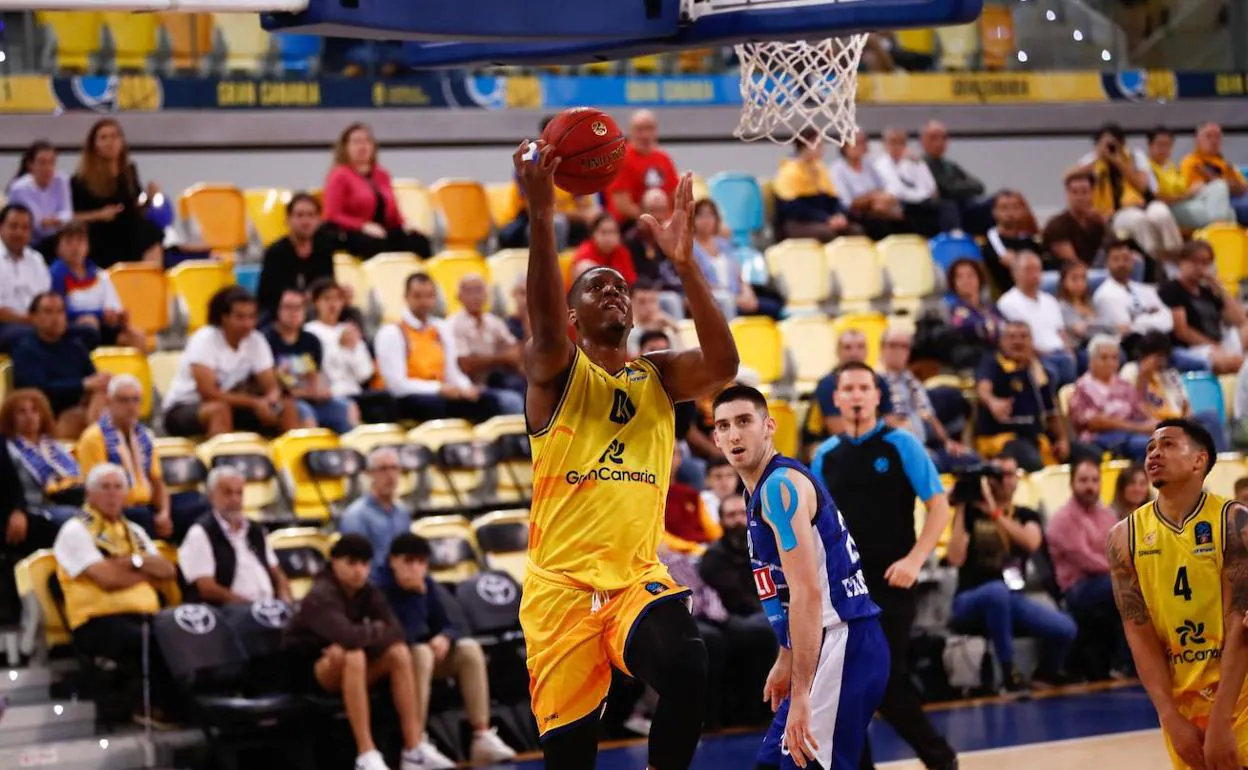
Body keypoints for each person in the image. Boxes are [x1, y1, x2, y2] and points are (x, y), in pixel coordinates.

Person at [515, 139, 739, 769]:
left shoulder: (658, 377)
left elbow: (723, 365)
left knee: (688, 661)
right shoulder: (555, 373)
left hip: (634, 580)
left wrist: (687, 266)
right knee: (571, 761)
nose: (613, 292)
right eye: (597, 287)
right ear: (572, 315)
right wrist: (539, 217)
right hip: (560, 590)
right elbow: (545, 330)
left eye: (621, 286)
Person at [711, 384, 888, 770]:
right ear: (715, 437)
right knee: (771, 764)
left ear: (769, 426)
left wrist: (803, 691)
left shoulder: (779, 488)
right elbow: (787, 591)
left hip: (843, 642)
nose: (734, 434)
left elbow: (807, 593)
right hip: (823, 645)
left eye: (744, 421)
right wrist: (786, 656)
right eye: (723, 426)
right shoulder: (757, 489)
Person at [808, 362, 957, 770]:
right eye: (848, 389)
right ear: (836, 398)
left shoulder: (901, 444)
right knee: (852, 686)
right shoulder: (824, 456)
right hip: (845, 588)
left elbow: (939, 507)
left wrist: (914, 559)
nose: (856, 395)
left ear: (877, 396)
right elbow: (817, 525)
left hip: (893, 583)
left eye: (864, 388)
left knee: (885, 681)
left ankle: (941, 759)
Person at [1108, 419, 1248, 769]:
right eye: (1150, 448)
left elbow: (1241, 625)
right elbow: (1137, 631)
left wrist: (1221, 720)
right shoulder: (1123, 538)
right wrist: (1169, 715)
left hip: (1240, 694)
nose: (1154, 453)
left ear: (1200, 460)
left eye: (1168, 445)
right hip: (1182, 700)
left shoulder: (1234, 523)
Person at [283, 533, 435, 770]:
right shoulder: (320, 594)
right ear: (334, 562)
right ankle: (366, 754)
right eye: (351, 563)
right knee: (353, 655)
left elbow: (397, 632)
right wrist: (371, 630)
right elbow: (349, 637)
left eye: (364, 564)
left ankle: (413, 748)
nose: (359, 571)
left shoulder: (369, 591)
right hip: (308, 673)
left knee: (398, 653)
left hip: (349, 666)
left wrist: (362, 633)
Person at [378, 533, 518, 766]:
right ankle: (415, 744)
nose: (416, 568)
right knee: (420, 652)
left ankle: (481, 735)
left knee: (469, 649)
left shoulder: (427, 584)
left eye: (421, 562)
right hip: (392, 663)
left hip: (426, 659)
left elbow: (449, 623)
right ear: (393, 560)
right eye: (409, 561)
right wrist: (415, 598)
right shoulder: (380, 588)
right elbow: (395, 635)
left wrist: (445, 636)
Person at [52, 464, 178, 722]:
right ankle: (155, 708)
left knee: (184, 632)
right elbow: (106, 579)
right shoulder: (75, 530)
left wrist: (128, 562)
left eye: (118, 487)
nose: (112, 494)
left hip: (145, 614)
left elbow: (167, 570)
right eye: (105, 487)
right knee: (147, 640)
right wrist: (144, 571)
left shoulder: (135, 532)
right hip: (96, 622)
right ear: (89, 493)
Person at [946, 463, 1078, 690]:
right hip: (968, 600)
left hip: (1011, 598)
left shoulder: (1026, 514)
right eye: (997, 475)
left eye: (1009, 474)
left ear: (1017, 480)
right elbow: (954, 558)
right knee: (996, 592)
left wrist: (995, 513)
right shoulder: (970, 513)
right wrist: (960, 506)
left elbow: (1030, 542)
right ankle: (1008, 673)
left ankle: (1045, 674)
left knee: (1065, 628)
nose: (1003, 480)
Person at [161, 286, 300, 438]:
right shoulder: (204, 339)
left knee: (287, 407)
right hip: (184, 407)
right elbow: (208, 393)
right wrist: (255, 403)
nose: (247, 323)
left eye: (251, 317)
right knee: (219, 410)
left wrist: (270, 401)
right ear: (224, 317)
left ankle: (288, 459)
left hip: (234, 404)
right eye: (240, 317)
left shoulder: (256, 340)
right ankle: (221, 460)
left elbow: (271, 385)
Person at [374, 273, 509, 424]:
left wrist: (466, 388)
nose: (424, 302)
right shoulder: (392, 332)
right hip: (407, 397)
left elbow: (452, 372)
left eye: (429, 296)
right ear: (406, 298)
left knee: (487, 401)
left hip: (439, 391)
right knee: (436, 406)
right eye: (417, 296)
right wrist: (438, 388)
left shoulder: (441, 328)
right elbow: (397, 385)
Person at [1046, 459, 1126, 680]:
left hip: (1108, 581)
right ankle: (1122, 664)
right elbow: (1085, 559)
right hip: (1078, 588)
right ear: (1072, 484)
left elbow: (1119, 548)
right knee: (1128, 589)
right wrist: (1122, 571)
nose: (1090, 486)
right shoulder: (1062, 519)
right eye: (1083, 480)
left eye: (1094, 480)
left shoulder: (1106, 515)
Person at [75, 374, 173, 541]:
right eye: (123, 400)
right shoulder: (94, 437)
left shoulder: (145, 436)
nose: (131, 406)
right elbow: (97, 491)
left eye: (135, 400)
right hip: (116, 509)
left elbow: (157, 480)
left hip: (146, 505)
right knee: (141, 515)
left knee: (193, 505)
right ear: (109, 402)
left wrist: (164, 513)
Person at [178, 466, 291, 605]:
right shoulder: (200, 533)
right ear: (212, 496)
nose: (235, 499)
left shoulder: (255, 529)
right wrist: (250, 608)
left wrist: (285, 597)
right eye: (228, 493)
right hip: (229, 613)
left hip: (267, 608)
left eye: (239, 493)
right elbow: (206, 588)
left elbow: (276, 572)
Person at [322, 122, 432, 260]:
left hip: (382, 231)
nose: (362, 146)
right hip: (352, 232)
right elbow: (332, 215)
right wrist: (363, 225)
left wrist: (406, 225)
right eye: (356, 142)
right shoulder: (339, 175)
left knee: (418, 242)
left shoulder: (382, 175)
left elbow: (393, 212)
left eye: (367, 141)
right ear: (345, 147)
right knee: (375, 244)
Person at [11, 292, 109, 438]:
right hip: (46, 416)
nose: (55, 318)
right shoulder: (26, 350)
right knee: (76, 418)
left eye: (60, 311)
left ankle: (103, 439)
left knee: (106, 390)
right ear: (34, 317)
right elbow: (37, 392)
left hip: (81, 409)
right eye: (48, 312)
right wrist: (82, 385)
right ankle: (101, 442)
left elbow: (92, 379)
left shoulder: (74, 345)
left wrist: (101, 381)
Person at [70, 118, 164, 268]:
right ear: (94, 145)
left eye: (114, 136)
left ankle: (150, 281)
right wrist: (99, 214)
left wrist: (148, 197)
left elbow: (136, 206)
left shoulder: (129, 172)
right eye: (103, 137)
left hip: (129, 229)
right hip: (99, 233)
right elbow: (71, 216)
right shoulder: (80, 180)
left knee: (150, 232)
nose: (110, 142)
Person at [265, 288, 358, 434]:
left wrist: (319, 391)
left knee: (346, 407)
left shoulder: (311, 341)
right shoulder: (267, 339)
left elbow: (316, 378)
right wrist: (304, 393)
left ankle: (348, 453)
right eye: (288, 307)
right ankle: (313, 454)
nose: (294, 312)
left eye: (299, 307)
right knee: (304, 411)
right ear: (277, 309)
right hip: (284, 402)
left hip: (310, 397)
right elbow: (272, 385)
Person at [48, 221, 145, 350]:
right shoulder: (55, 275)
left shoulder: (100, 275)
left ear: (87, 246)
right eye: (69, 242)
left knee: (136, 335)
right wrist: (99, 314)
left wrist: (119, 317)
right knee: (89, 323)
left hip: (102, 328)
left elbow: (113, 307)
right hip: (71, 331)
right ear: (58, 248)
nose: (75, 247)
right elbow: (57, 313)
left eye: (80, 241)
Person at [447, 274, 526, 414]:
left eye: (479, 290)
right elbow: (465, 365)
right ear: (458, 296)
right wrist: (501, 358)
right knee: (512, 402)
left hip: (495, 381)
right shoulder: (453, 324)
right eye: (469, 291)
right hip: (468, 387)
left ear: (487, 295)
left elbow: (515, 353)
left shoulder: (494, 322)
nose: (475, 296)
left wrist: (483, 359)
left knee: (530, 388)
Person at [1068, 335, 1156, 461]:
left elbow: (1140, 410)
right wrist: (1138, 428)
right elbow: (1095, 423)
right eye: (1104, 358)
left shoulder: (1123, 384)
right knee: (1147, 446)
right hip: (1100, 438)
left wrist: (1153, 424)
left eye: (1114, 358)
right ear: (1091, 360)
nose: (1110, 363)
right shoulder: (1082, 387)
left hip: (1132, 434)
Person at [255, 192, 337, 321]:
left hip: (315, 308)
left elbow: (327, 284)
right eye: (299, 215)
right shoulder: (275, 252)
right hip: (281, 311)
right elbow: (268, 295)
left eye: (311, 215)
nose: (306, 221)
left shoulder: (324, 249)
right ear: (288, 219)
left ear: (319, 220)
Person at [338, 448, 414, 577]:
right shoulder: (356, 516)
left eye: (394, 468)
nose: (390, 475)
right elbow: (356, 565)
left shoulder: (403, 512)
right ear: (369, 474)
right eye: (383, 469)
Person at [772, 127, 854, 242]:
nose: (822, 149)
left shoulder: (820, 168)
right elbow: (793, 208)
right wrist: (826, 219)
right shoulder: (789, 171)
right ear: (806, 145)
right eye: (818, 144)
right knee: (827, 234)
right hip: (797, 222)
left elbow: (833, 199)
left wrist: (839, 215)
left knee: (854, 231)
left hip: (822, 219)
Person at [606, 109, 680, 228]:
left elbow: (675, 196)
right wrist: (653, 221)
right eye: (640, 129)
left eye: (650, 129)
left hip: (664, 223)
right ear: (630, 131)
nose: (645, 135)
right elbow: (623, 205)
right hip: (631, 224)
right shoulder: (620, 159)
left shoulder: (664, 158)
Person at [6, 140, 73, 259]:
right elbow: (33, 223)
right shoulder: (19, 188)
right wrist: (55, 221)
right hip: (31, 242)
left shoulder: (61, 180)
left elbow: (67, 213)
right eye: (42, 163)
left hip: (57, 238)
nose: (48, 168)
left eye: (52, 163)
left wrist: (56, 220)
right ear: (31, 165)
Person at [0, 203, 52, 354]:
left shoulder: (37, 259)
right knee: (29, 337)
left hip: (37, 324)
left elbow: (46, 298)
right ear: (1, 228)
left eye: (24, 228)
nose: (19, 232)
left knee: (86, 332)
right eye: (13, 226)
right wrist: (28, 320)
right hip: (5, 325)